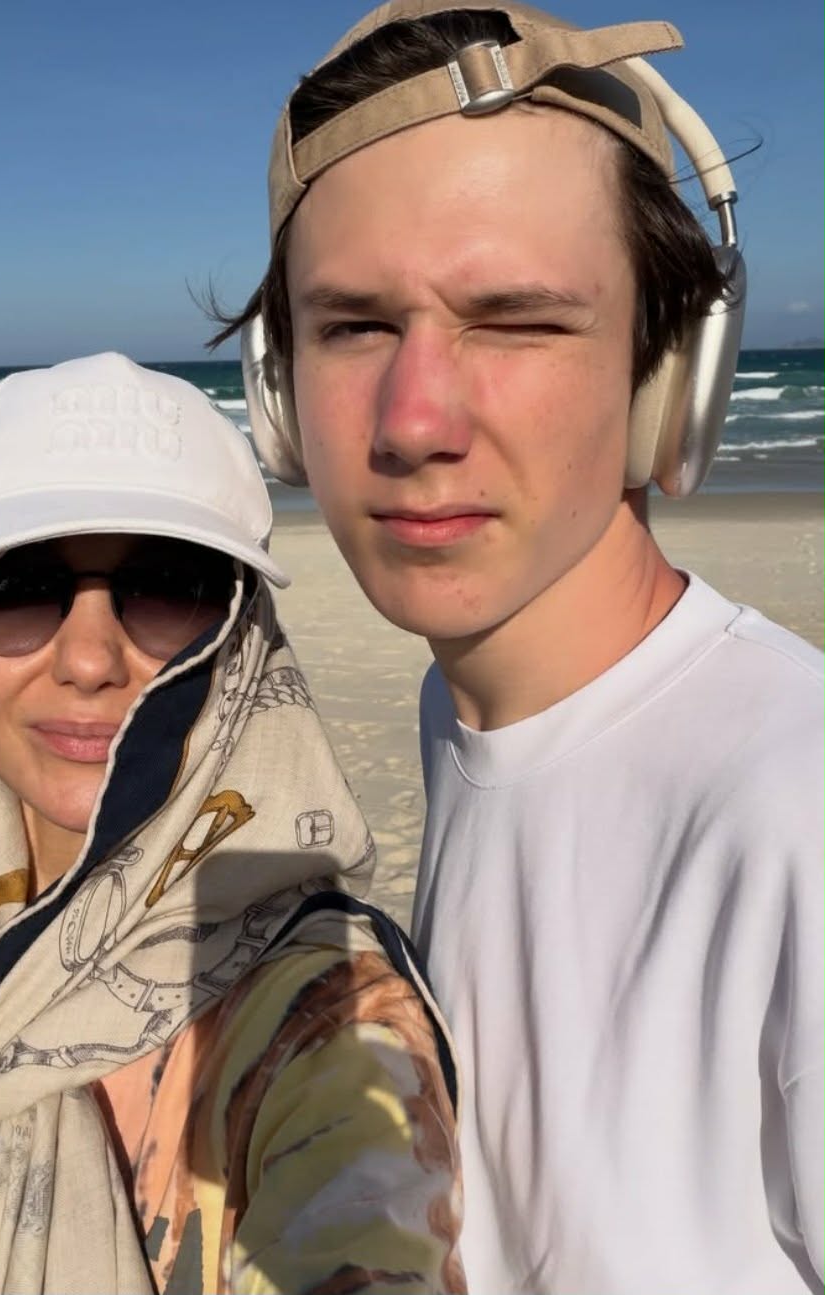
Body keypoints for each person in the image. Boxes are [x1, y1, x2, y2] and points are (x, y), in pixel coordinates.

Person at [211, 2, 825, 1291]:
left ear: (669, 374)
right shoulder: (466, 711)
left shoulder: (795, 802)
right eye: (354, 325)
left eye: (517, 320)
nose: (414, 420)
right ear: (278, 396)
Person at [0, 352, 464, 1294]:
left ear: (240, 640)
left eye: (166, 584)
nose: (88, 659)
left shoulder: (322, 1024)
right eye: (16, 584)